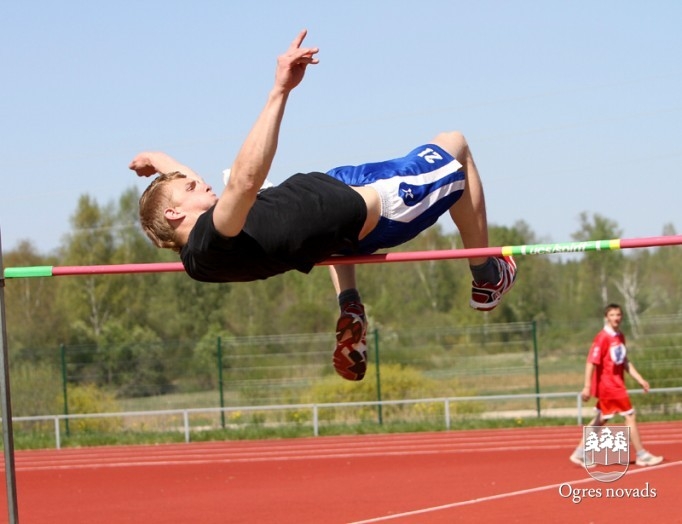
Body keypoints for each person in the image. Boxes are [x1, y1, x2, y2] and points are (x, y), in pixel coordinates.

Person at [130, 30, 517, 382]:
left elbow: (189, 192)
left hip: (337, 194)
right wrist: (279, 91)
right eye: (192, 186)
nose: (202, 182)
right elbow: (245, 181)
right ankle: (486, 275)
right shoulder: (211, 239)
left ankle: (350, 306)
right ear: (175, 213)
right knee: (455, 143)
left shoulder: (199, 250)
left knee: (323, 238)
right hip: (380, 205)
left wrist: (158, 159)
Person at [570, 303, 663, 467]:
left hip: (617, 383)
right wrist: (586, 386)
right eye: (612, 315)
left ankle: (579, 453)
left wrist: (640, 379)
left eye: (618, 315)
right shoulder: (602, 337)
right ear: (606, 317)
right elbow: (591, 361)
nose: (616, 318)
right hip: (610, 386)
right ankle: (642, 455)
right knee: (630, 416)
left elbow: (624, 361)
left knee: (601, 419)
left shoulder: (620, 336)